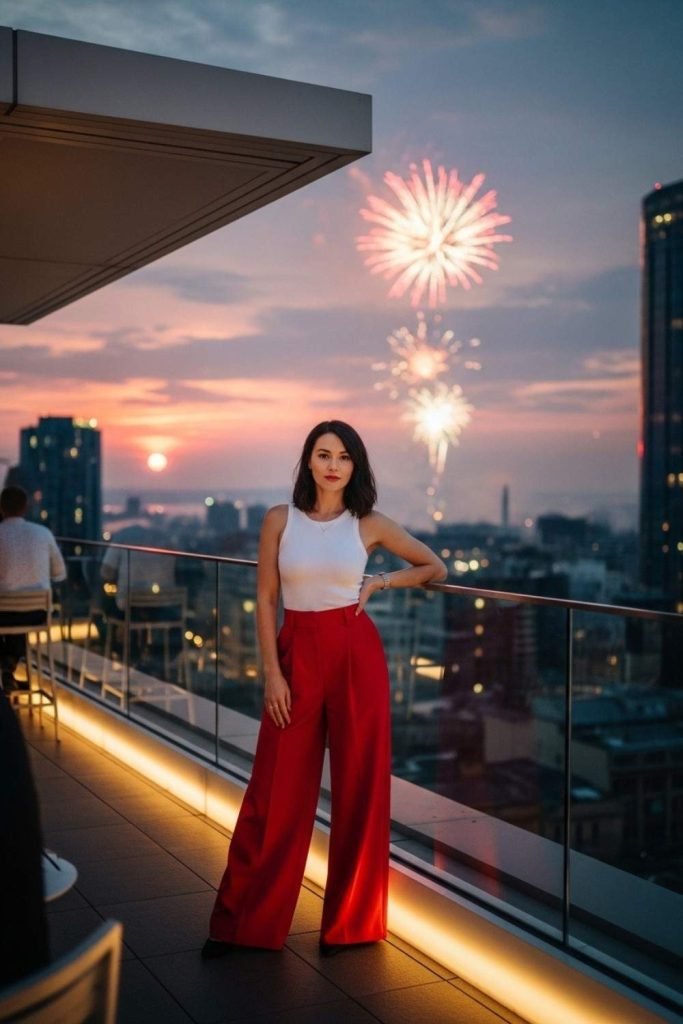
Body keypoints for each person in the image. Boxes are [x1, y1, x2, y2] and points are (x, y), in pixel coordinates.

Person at [202, 420, 447, 959]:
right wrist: (273, 672)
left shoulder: (370, 523)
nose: (333, 464)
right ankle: (245, 926)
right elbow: (267, 599)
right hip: (296, 657)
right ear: (308, 462)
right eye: (322, 454)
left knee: (362, 791)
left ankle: (352, 926)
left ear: (355, 465)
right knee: (274, 792)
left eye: (343, 456)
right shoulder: (278, 520)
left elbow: (433, 565)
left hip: (356, 654)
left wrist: (382, 581)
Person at [0, 485, 66, 693]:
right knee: (18, 618)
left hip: (3, 613)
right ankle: (7, 669)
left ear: (1, 508)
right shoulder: (43, 533)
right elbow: (60, 574)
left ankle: (6, 670)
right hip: (36, 615)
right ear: (26, 508)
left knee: (8, 612)